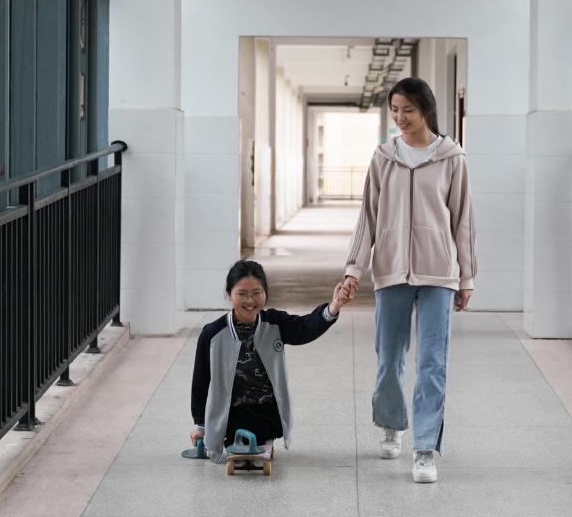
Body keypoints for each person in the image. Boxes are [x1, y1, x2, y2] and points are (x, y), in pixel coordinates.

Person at [342, 77, 477, 483]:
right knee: (389, 358)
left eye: (409, 111)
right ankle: (391, 423)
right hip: (391, 270)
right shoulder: (384, 158)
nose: (400, 118)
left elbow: (463, 220)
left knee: (432, 363)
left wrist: (466, 276)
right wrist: (353, 269)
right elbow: (367, 217)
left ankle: (425, 448)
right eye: (395, 110)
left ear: (426, 111)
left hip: (439, 273)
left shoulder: (452, 158)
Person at [189, 259, 352, 463]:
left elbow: (304, 328)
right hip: (228, 412)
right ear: (229, 295)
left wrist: (334, 306)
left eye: (257, 293)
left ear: (265, 293)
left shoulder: (274, 323)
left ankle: (251, 439)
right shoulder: (212, 334)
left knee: (255, 431)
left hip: (265, 410)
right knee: (231, 430)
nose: (250, 300)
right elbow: (201, 381)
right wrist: (202, 426)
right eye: (242, 294)